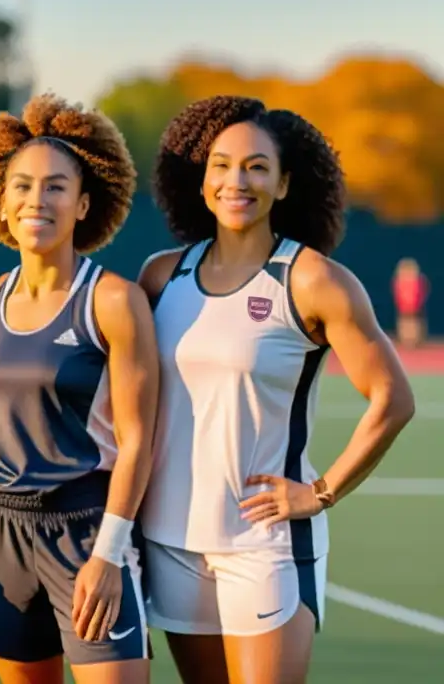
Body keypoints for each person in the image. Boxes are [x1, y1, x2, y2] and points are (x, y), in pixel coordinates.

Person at [137, 95, 417, 684]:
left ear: (284, 185)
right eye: (221, 164)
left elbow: (394, 398)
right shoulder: (162, 275)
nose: (236, 180)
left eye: (257, 167)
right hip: (170, 538)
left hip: (263, 544)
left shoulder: (313, 280)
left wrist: (320, 492)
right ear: (201, 177)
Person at [0, 93, 159, 684]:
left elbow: (138, 439)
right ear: (2, 197)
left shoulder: (115, 301)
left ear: (83, 203)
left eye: (54, 187)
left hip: (88, 529)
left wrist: (110, 552)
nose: (36, 201)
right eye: (21, 185)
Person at [392, 257, 429, 348]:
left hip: (415, 308)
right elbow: (397, 294)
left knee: (415, 323)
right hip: (404, 308)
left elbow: (422, 293)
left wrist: (417, 304)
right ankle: (406, 340)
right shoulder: (399, 282)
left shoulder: (418, 281)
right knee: (405, 324)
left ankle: (416, 339)